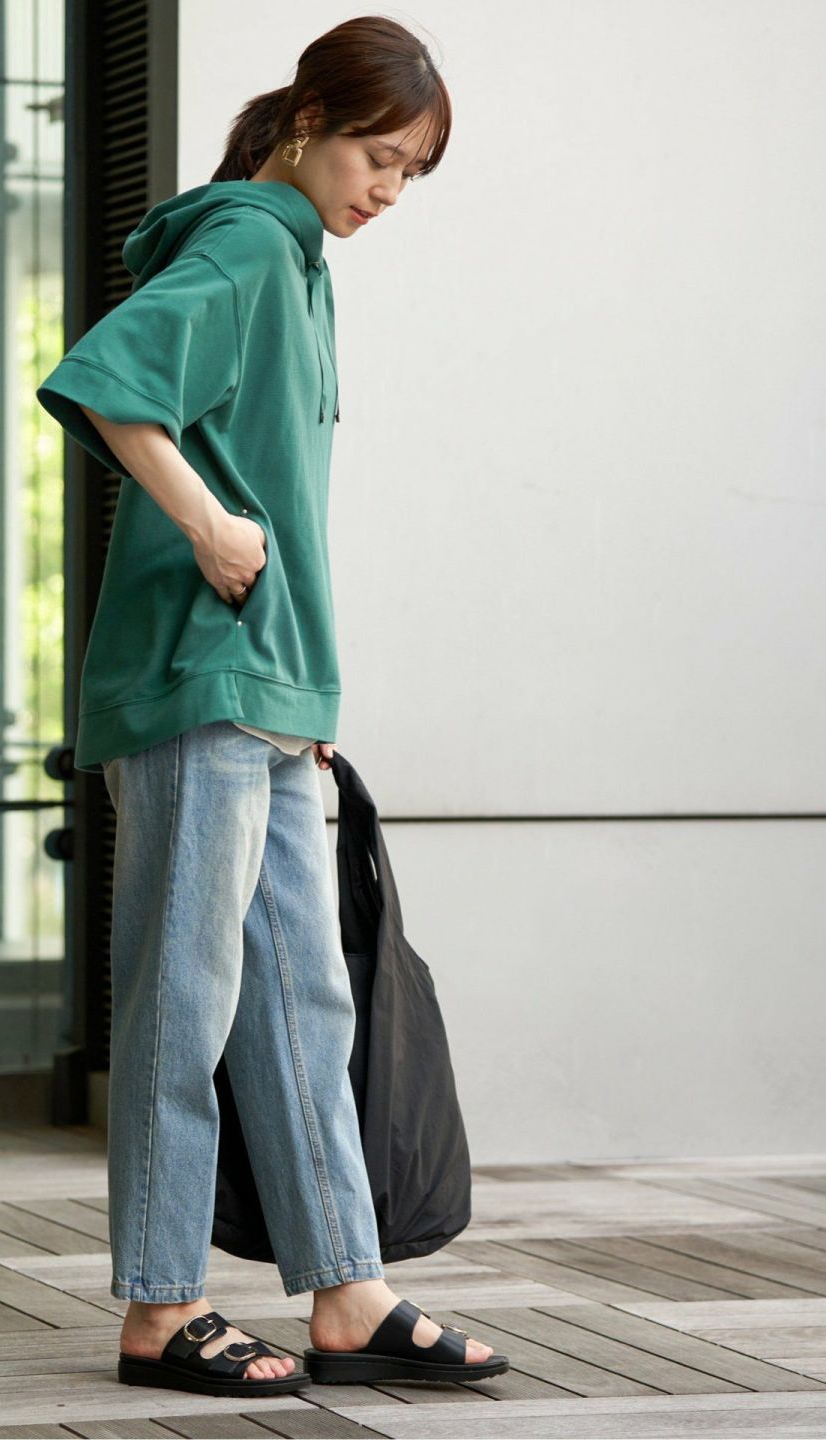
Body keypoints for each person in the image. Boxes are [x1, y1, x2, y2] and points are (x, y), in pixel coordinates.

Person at [37, 14, 507, 1398]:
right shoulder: (247, 240)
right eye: (378, 155)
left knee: (305, 995)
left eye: (412, 172)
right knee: (185, 999)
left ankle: (348, 1293)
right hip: (199, 675)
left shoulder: (300, 265)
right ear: (308, 124)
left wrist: (304, 674)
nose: (390, 191)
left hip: (268, 687)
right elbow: (109, 381)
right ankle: (160, 1307)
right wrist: (210, 526)